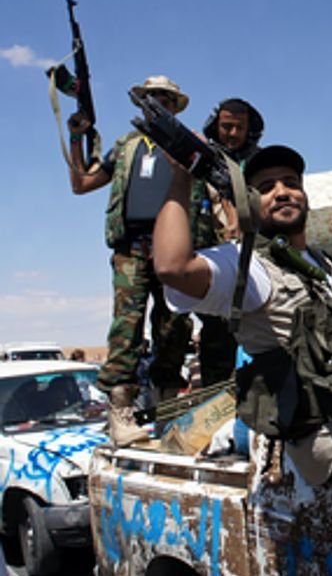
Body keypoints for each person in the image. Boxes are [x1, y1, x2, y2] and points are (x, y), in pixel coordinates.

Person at [153, 144, 332, 486]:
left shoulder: (323, 265)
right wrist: (180, 177)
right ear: (247, 203)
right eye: (265, 188)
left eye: (290, 183)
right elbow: (172, 267)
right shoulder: (248, 267)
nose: (281, 193)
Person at [66, 75, 195, 446]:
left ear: (175, 106)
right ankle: (121, 412)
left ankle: (168, 411)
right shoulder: (125, 147)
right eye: (152, 97)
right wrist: (77, 137)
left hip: (176, 245)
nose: (158, 104)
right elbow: (81, 183)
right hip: (131, 246)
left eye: (166, 99)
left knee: (174, 326)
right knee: (127, 326)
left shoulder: (188, 147)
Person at [191, 98, 266, 388]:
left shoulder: (260, 161)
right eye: (227, 126)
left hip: (257, 259)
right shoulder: (202, 160)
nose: (233, 133)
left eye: (239, 127)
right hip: (213, 257)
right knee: (216, 333)